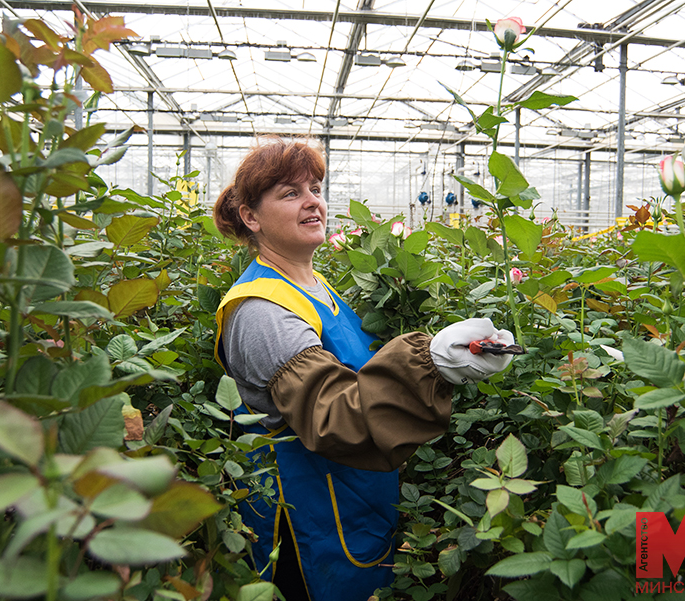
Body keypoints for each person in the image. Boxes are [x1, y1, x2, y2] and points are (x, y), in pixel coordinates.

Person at [212, 137, 514, 601]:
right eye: (290, 193)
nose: (312, 201)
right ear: (251, 217)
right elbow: (336, 415)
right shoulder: (262, 311)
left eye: (314, 188)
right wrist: (432, 363)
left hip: (353, 497)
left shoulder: (315, 286)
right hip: (306, 518)